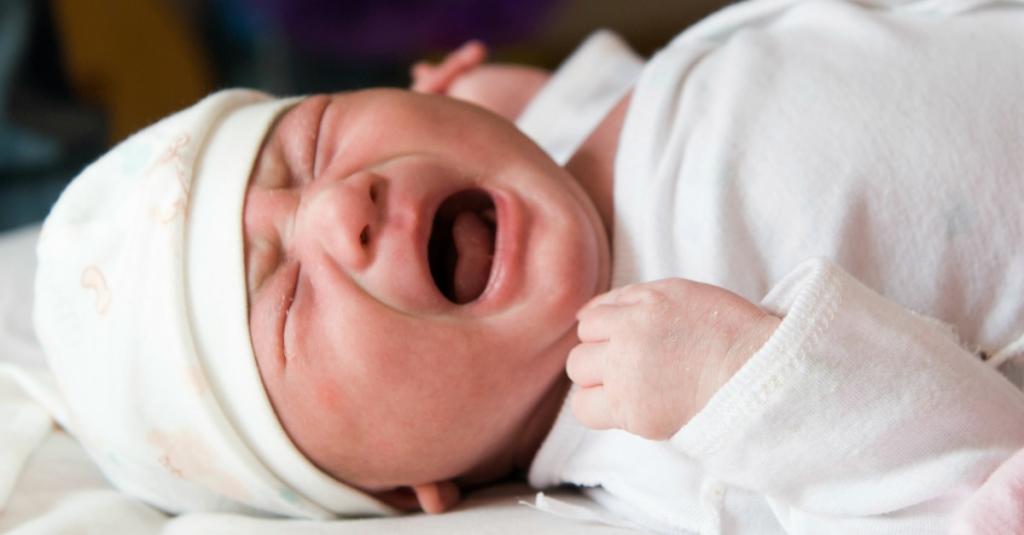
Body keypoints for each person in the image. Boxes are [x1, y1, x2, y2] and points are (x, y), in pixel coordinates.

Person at [28, 0, 1024, 532]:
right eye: (284, 298)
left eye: (317, 140)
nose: (341, 205)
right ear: (397, 488)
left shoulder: (548, 136)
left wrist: (520, 105)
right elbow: (971, 502)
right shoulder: (666, 450)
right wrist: (758, 384)